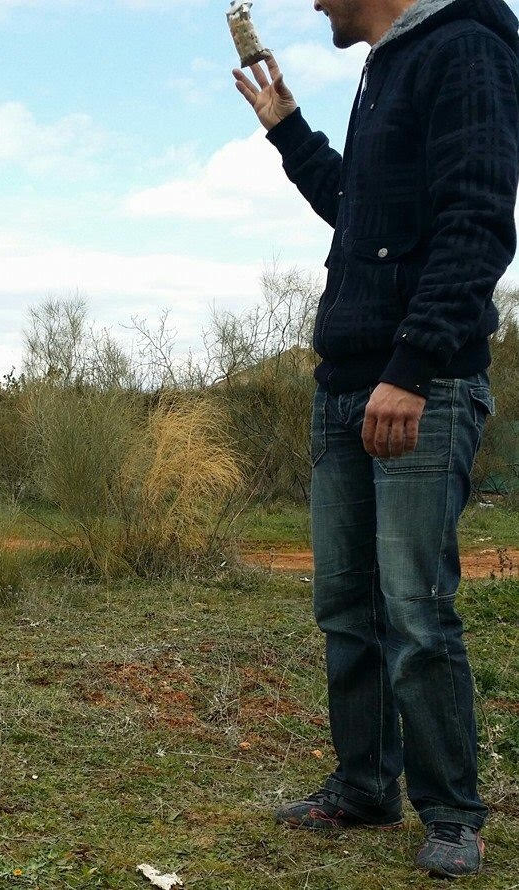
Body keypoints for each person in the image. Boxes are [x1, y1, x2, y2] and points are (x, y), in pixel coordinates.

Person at [232, 0, 519, 878]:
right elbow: (360, 215)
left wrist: (413, 366)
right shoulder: (387, 65)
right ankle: (363, 786)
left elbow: (478, 222)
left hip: (417, 387)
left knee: (414, 611)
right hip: (347, 384)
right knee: (346, 608)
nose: (315, 1)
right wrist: (289, 131)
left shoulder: (466, 47)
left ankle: (453, 815)